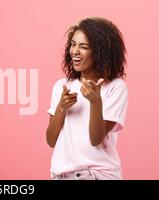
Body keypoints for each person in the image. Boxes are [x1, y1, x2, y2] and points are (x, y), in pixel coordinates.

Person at [46, 17, 129, 180]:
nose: (75, 51)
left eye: (83, 47)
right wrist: (61, 108)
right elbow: (50, 140)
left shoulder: (115, 87)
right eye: (73, 44)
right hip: (60, 175)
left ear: (100, 52)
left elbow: (95, 139)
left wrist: (95, 101)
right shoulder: (62, 86)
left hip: (95, 175)